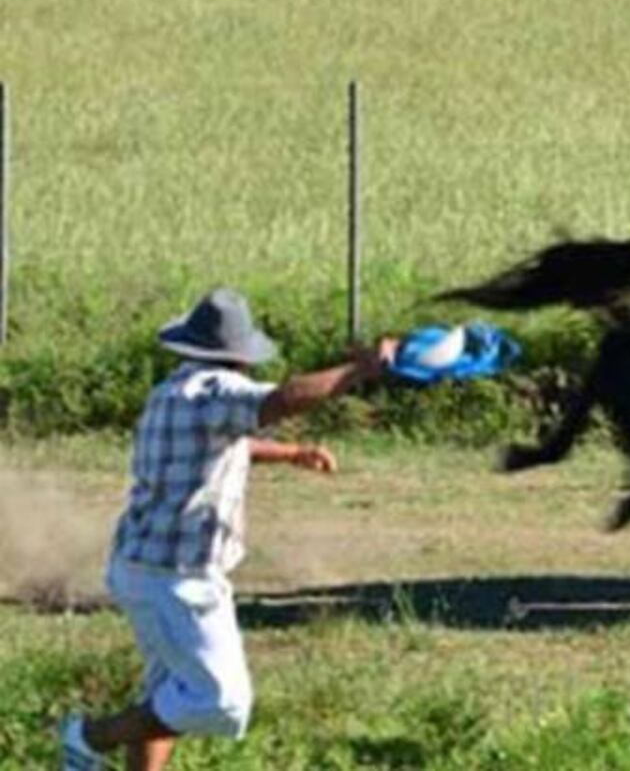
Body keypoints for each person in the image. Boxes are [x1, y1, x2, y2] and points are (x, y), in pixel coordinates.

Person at [59, 288, 397, 771]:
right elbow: (286, 398)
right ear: (239, 356)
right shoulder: (218, 392)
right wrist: (360, 371)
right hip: (179, 577)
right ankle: (88, 737)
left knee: (165, 693)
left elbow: (223, 444)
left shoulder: (173, 393)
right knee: (221, 701)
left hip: (138, 566)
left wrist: (291, 453)